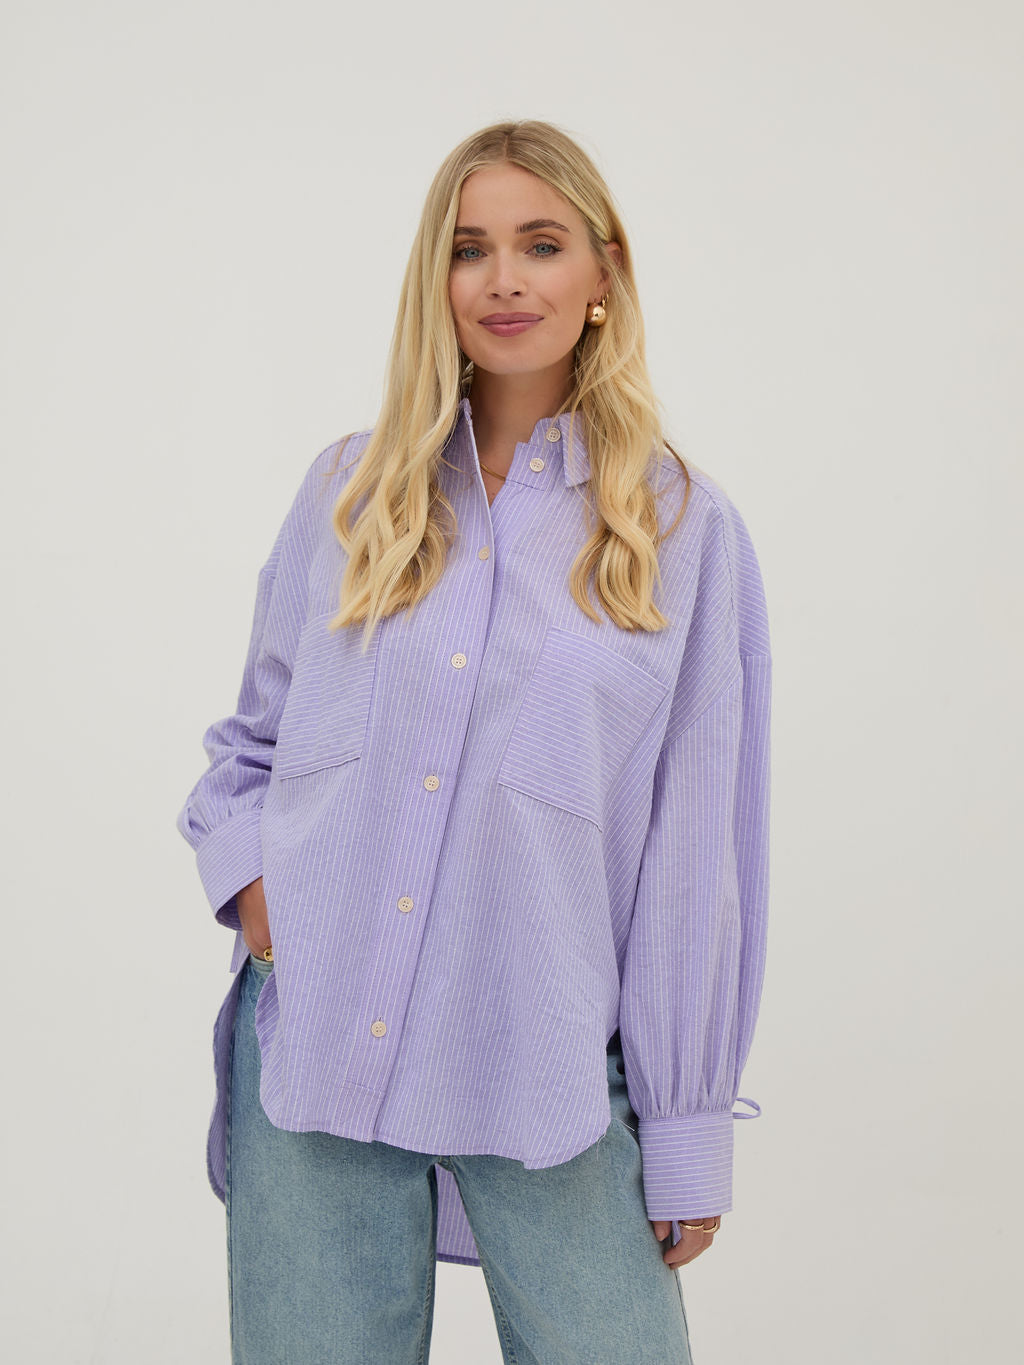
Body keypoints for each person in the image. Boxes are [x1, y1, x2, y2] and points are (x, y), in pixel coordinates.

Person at [176, 118, 772, 1365]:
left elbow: (693, 863)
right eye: (469, 248)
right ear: (434, 278)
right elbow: (250, 747)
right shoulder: (349, 492)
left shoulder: (679, 532)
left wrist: (684, 1127)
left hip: (546, 1067)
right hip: (318, 1048)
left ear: (603, 272)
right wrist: (270, 913)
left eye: (540, 245)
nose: (503, 280)